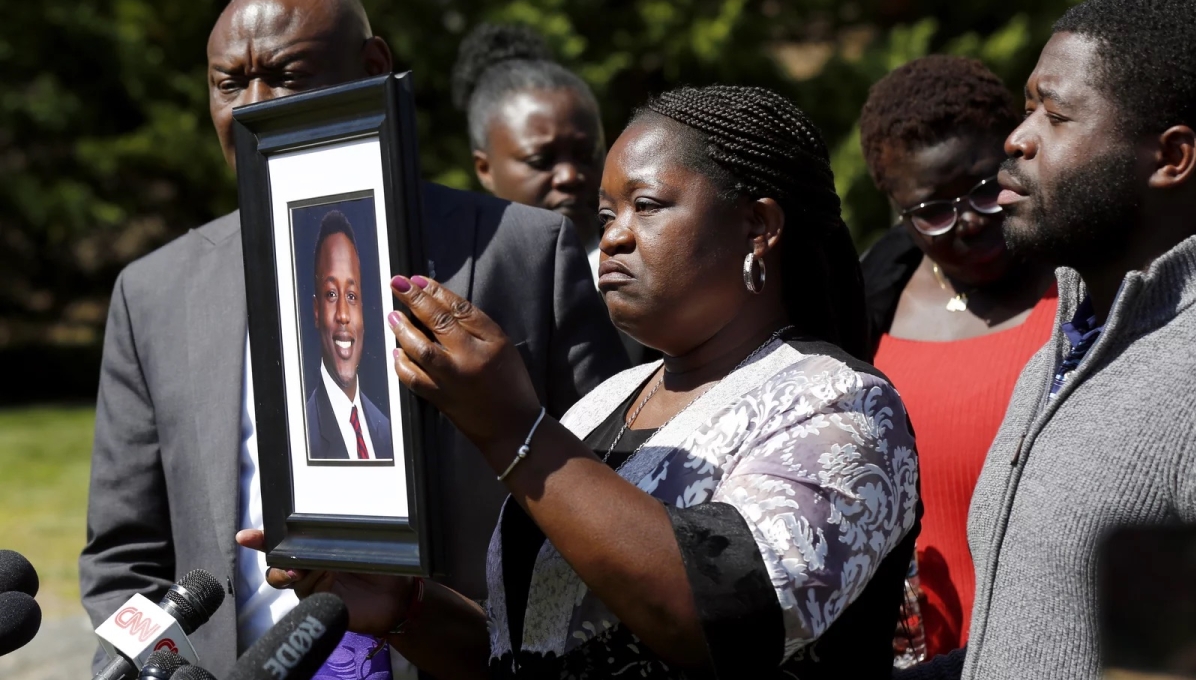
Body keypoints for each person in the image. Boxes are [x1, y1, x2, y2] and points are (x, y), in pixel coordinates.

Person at [245, 84, 923, 679]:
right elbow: (537, 653)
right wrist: (407, 610)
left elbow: (722, 621)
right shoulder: (605, 402)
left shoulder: (840, 404)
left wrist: (515, 429)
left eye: (647, 206)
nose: (616, 238)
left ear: (759, 226)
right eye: (606, 218)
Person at [78, 0, 628, 676]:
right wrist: (159, 666)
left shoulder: (521, 253)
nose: (252, 108)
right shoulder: (155, 293)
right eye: (229, 83)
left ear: (372, 70)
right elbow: (123, 556)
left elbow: (611, 501)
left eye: (283, 77)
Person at [901, 0, 1196, 680]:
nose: (1018, 136)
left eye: (1056, 114)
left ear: (1172, 158)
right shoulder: (1066, 346)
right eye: (1029, 105)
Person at [857, 55, 1057, 658]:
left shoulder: (1089, 285)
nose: (969, 221)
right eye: (934, 211)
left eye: (983, 187)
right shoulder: (866, 308)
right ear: (897, 206)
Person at [451, 23, 605, 279]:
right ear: (485, 169)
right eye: (541, 160)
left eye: (586, 155)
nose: (569, 176)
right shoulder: (457, 280)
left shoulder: (653, 286)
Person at [305, 210, 391, 461]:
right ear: (317, 311)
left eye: (352, 297)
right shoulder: (303, 435)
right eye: (331, 294)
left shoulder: (387, 431)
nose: (343, 314)